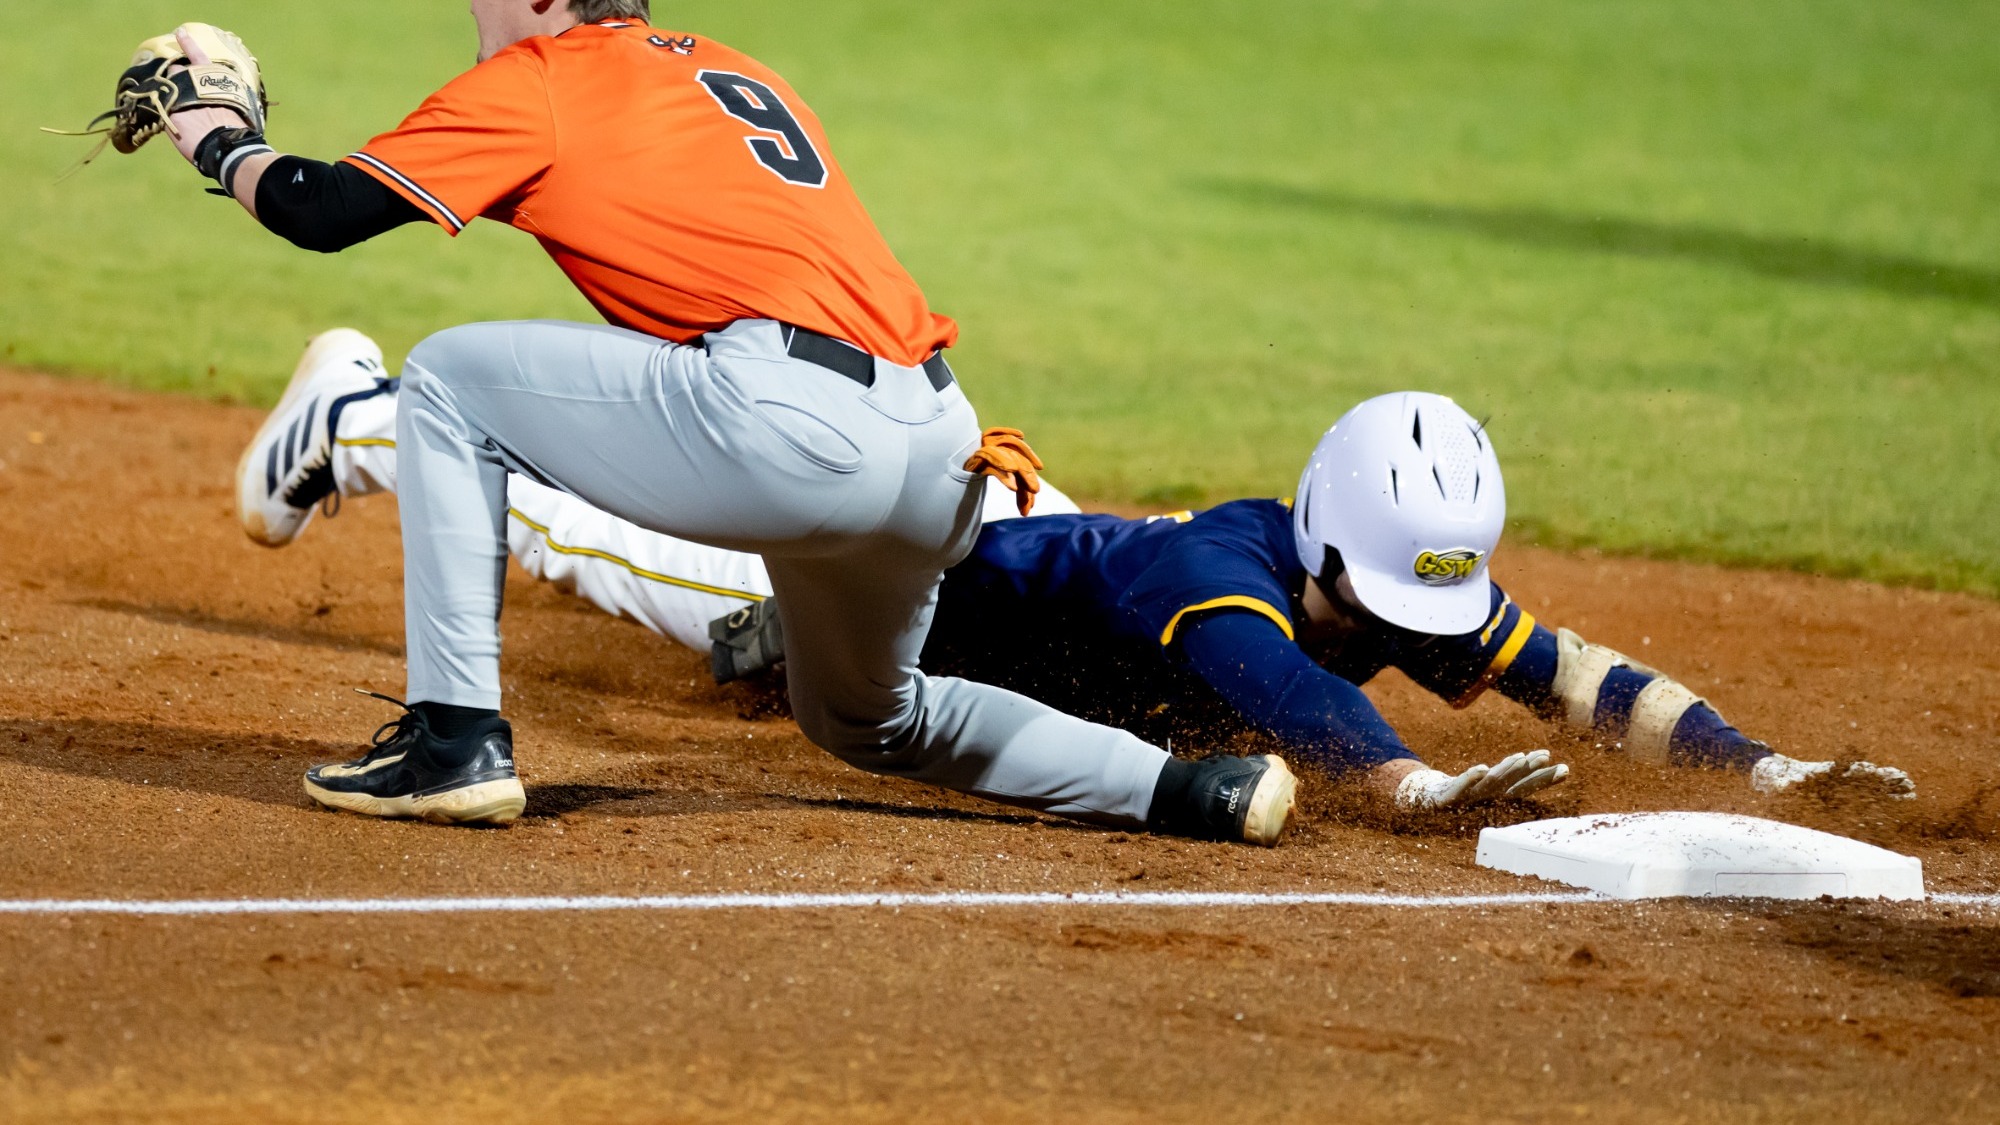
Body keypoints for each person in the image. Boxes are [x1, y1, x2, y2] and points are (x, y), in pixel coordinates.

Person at [168, 1, 1304, 842]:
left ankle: (450, 739)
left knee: (451, 378)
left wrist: (218, 137)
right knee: (868, 720)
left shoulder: (543, 76)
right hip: (939, 447)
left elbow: (322, 214)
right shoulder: (725, 70)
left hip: (793, 428)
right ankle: (1190, 786)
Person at [249, 333, 1907, 812]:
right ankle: (359, 406)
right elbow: (1288, 702)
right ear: (1329, 547)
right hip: (854, 572)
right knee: (592, 543)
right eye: (1393, 607)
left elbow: (1572, 671)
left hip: (999, 538)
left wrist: (1766, 765)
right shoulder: (1224, 585)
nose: (1418, 633)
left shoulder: (1352, 559)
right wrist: (1414, 794)